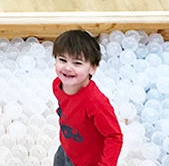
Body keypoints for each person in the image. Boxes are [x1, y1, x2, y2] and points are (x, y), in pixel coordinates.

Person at [52, 30, 123, 166]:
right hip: (67, 148)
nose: (67, 67)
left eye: (77, 63)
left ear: (92, 68)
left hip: (87, 161)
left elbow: (114, 136)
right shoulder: (57, 85)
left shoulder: (94, 102)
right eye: (62, 60)